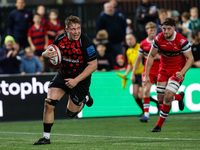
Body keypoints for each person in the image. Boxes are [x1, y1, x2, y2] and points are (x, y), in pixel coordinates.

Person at [33, 15, 97, 145]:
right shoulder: (60, 39)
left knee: (71, 114)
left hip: (80, 80)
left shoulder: (86, 43)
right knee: (49, 103)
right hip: (63, 74)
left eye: (78, 28)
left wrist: (76, 80)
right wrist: (44, 55)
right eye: (73, 29)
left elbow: (93, 65)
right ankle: (46, 137)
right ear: (66, 29)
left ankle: (85, 98)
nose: (76, 32)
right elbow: (50, 52)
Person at [143, 18, 194, 132]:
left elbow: (190, 58)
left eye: (168, 29)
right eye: (164, 28)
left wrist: (182, 72)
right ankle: (180, 97)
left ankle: (158, 126)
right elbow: (151, 56)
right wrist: (146, 75)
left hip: (177, 71)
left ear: (174, 28)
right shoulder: (158, 39)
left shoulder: (181, 41)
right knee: (161, 100)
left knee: (168, 95)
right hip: (163, 70)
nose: (165, 31)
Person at [131, 22, 160, 122]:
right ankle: (146, 115)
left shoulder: (160, 42)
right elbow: (138, 59)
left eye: (154, 30)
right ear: (147, 31)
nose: (152, 32)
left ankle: (163, 112)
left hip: (160, 70)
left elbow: (167, 56)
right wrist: (133, 73)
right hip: (148, 71)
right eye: (150, 30)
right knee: (146, 91)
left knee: (161, 95)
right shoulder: (143, 43)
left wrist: (159, 57)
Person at [123, 34, 144, 116]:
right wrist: (126, 74)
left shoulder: (141, 47)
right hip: (135, 74)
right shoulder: (128, 51)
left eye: (130, 39)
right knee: (135, 95)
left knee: (141, 95)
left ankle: (156, 103)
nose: (129, 41)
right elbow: (130, 64)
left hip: (143, 74)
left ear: (135, 39)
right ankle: (143, 111)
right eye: (127, 39)